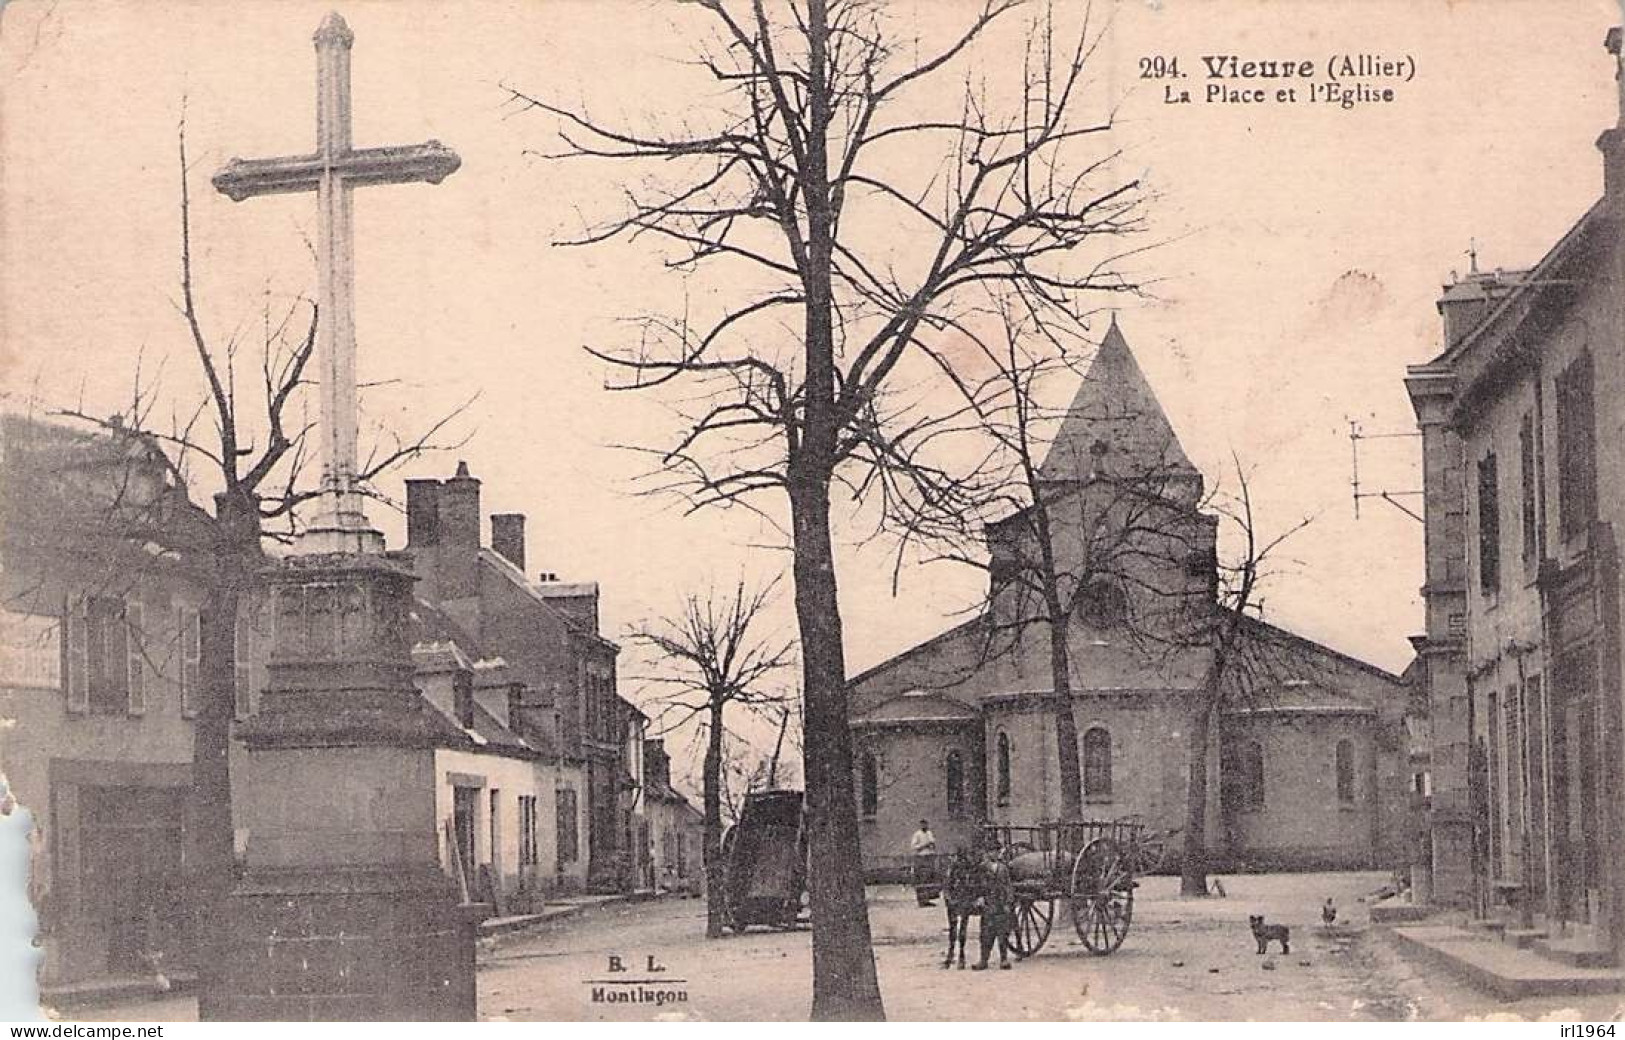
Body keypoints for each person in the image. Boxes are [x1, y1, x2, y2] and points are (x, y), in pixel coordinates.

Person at [972, 840, 1014, 970]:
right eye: (991, 851)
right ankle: (983, 960)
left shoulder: (1003, 868)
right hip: (989, 904)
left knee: (1003, 933)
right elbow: (977, 885)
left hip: (1001, 904)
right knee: (986, 933)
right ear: (987, 853)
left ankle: (1004, 959)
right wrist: (979, 897)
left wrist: (1008, 902)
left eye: (996, 851)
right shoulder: (982, 867)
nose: (994, 854)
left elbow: (1008, 886)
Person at [910, 820, 938, 906]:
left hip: (929, 857)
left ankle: (928, 899)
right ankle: (922, 900)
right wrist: (924, 845)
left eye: (926, 824)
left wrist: (932, 845)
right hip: (921, 858)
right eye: (923, 824)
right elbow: (913, 847)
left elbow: (933, 843)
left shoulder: (929, 833)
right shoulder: (917, 834)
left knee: (929, 879)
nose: (925, 826)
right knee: (922, 879)